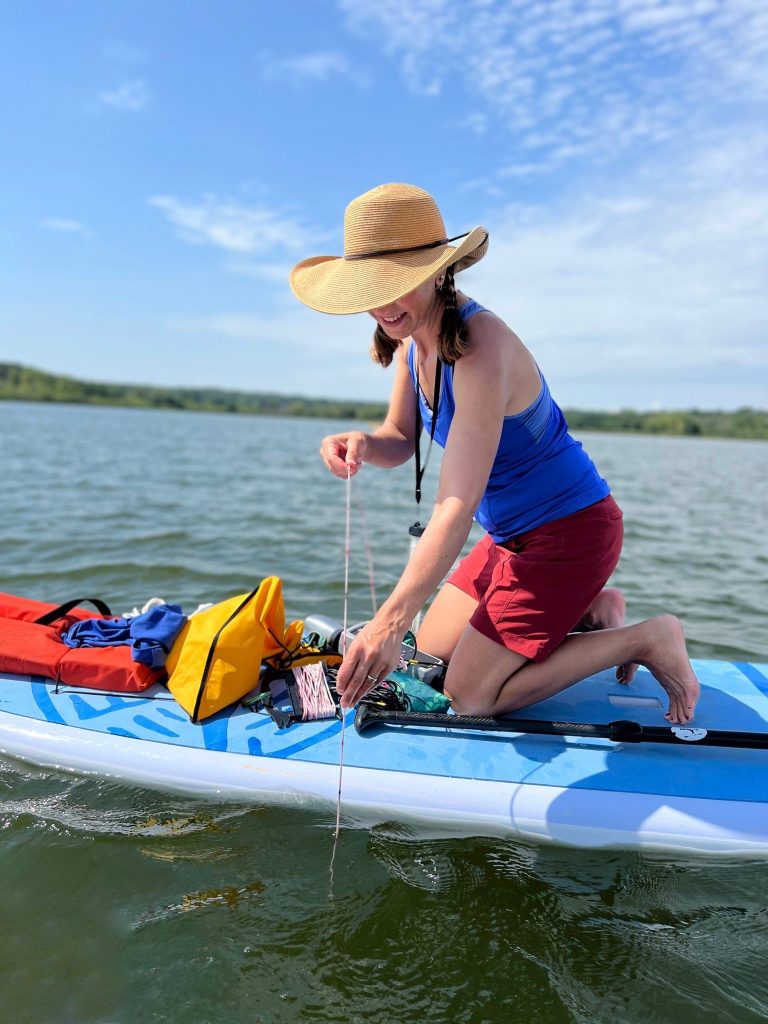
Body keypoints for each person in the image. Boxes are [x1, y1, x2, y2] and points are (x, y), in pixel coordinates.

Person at [290, 183, 700, 724]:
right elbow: (400, 436)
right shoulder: (416, 343)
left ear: (437, 271)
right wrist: (365, 444)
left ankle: (646, 638)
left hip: (571, 533)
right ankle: (589, 608)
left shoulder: (481, 346)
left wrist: (389, 620)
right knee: (431, 654)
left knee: (468, 697)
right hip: (511, 538)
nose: (384, 305)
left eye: (398, 284)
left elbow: (456, 504)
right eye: (372, 287)